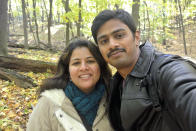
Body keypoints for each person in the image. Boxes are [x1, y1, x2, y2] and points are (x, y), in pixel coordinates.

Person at [91, 9, 196, 131]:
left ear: (136, 37)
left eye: (119, 36)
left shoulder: (165, 70)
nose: (112, 44)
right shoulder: (116, 84)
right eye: (104, 41)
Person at [26, 38, 113, 131]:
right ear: (68, 70)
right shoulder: (48, 103)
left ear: (100, 66)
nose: (83, 67)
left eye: (90, 61)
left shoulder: (113, 97)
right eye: (76, 63)